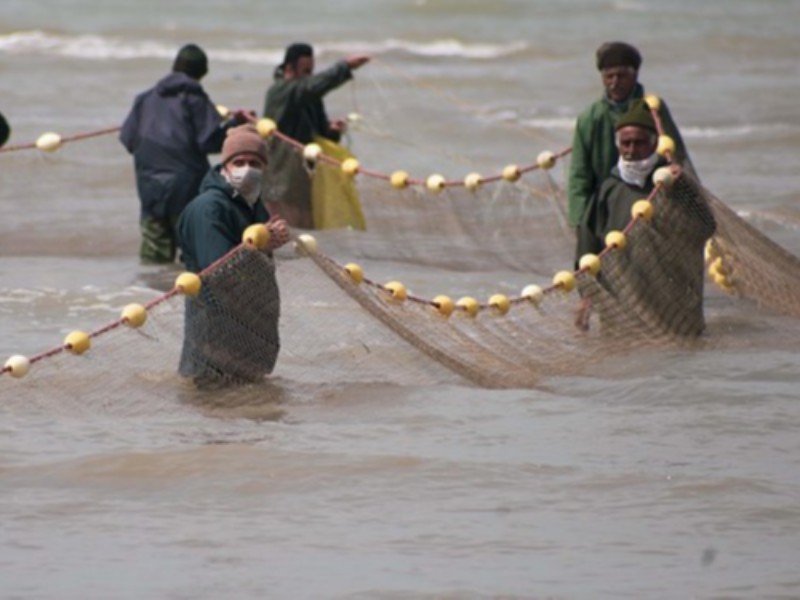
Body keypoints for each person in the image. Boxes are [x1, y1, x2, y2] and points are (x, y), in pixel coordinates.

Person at [574, 100, 715, 333]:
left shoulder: (671, 184)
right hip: (623, 302)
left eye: (638, 143)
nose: (631, 150)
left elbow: (706, 226)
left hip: (671, 303)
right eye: (625, 143)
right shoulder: (608, 189)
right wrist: (586, 296)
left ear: (653, 144)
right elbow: (587, 244)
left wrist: (683, 187)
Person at [177, 124, 290, 387]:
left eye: (255, 162)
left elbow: (252, 259)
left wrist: (271, 241)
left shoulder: (252, 206)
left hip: (246, 336)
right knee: (216, 416)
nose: (247, 169)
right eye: (239, 162)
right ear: (225, 166)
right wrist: (262, 245)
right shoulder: (210, 209)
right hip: (214, 343)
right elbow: (217, 271)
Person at [120, 43, 249, 265]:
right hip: (186, 189)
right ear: (202, 73)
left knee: (154, 258)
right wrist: (236, 123)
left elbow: (128, 139)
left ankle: (148, 294)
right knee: (193, 256)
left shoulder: (144, 99)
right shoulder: (195, 99)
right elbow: (209, 141)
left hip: (150, 189)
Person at [567, 41, 694, 233]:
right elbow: (579, 175)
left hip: (653, 201)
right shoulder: (590, 118)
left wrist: (684, 180)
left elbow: (677, 155)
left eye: (622, 76)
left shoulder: (653, 109)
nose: (615, 82)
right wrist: (580, 223)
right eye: (609, 76)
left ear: (635, 75)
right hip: (609, 204)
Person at [262, 42, 370, 229]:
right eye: (305, 72)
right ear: (289, 68)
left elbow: (321, 133)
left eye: (311, 72)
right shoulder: (280, 92)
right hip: (282, 181)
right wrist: (344, 67)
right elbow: (310, 88)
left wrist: (332, 131)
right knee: (285, 235)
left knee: (308, 233)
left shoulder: (310, 97)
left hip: (307, 178)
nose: (310, 77)